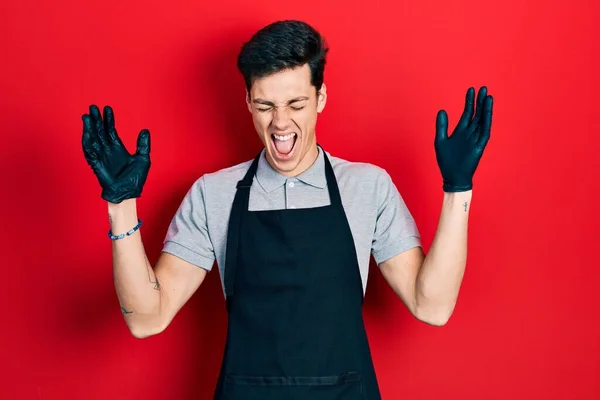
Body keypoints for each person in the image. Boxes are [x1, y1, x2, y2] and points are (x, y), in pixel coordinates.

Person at [81, 19, 493, 400]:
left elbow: (433, 306)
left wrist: (458, 189)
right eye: (265, 106)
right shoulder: (214, 194)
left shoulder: (367, 187)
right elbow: (146, 318)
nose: (280, 123)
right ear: (247, 100)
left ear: (321, 97)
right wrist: (121, 205)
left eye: (296, 104)